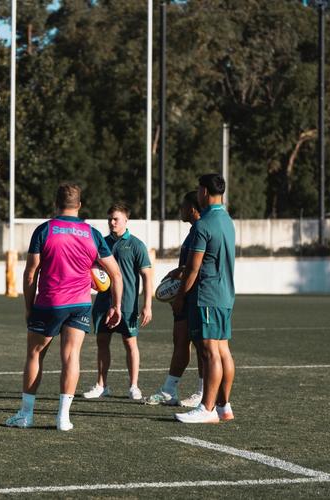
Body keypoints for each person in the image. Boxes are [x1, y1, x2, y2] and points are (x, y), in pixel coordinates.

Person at [5, 183, 123, 431]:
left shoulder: (45, 230)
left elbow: (30, 274)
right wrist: (116, 305)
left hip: (49, 303)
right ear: (79, 205)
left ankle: (26, 415)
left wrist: (29, 307)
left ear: (55, 204)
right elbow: (116, 274)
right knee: (71, 357)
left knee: (35, 354)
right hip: (80, 304)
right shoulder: (92, 234)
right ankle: (63, 418)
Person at [174, 174, 236, 424]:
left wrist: (180, 297)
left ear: (204, 192)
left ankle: (207, 409)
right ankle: (224, 406)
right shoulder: (228, 221)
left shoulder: (203, 225)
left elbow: (192, 269)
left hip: (207, 295)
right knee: (222, 350)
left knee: (210, 353)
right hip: (225, 294)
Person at [83, 203, 153, 401]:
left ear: (126, 221)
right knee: (102, 341)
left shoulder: (137, 245)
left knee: (130, 342)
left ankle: (134, 386)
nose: (112, 222)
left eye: (116, 219)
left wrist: (147, 304)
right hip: (103, 303)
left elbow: (147, 276)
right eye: (110, 219)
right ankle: (101, 385)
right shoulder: (101, 243)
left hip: (129, 303)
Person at [146, 191, 205, 407]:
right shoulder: (192, 232)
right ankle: (169, 391)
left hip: (195, 296)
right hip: (184, 296)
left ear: (191, 208)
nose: (179, 209)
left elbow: (197, 267)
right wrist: (178, 273)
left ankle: (202, 391)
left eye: (182, 205)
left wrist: (181, 281)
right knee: (180, 340)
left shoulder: (202, 229)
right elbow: (189, 266)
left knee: (201, 345)